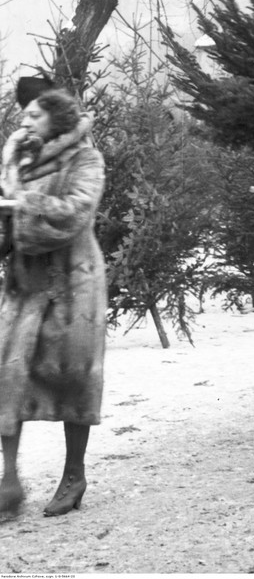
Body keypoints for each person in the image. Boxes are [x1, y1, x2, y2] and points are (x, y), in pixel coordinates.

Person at [0, 80, 106, 518]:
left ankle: (74, 476)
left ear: (58, 118)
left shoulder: (87, 158)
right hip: (25, 282)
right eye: (22, 114)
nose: (24, 120)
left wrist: (17, 206)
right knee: (8, 375)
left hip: (74, 281)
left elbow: (77, 212)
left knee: (73, 377)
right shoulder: (17, 158)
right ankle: (8, 482)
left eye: (34, 114)